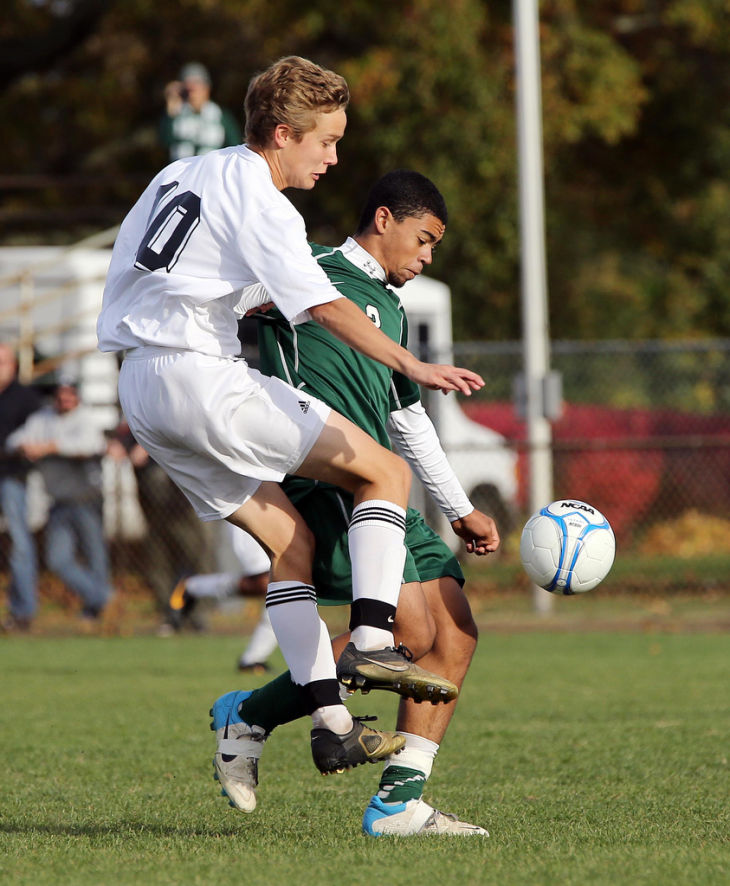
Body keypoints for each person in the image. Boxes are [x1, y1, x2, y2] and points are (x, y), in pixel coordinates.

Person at [98, 55, 484, 777]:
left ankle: (331, 723)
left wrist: (239, 300)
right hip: (199, 373)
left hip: (143, 388)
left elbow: (162, 272)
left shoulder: (179, 174)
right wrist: (412, 365)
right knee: (386, 473)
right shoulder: (262, 195)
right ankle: (371, 639)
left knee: (289, 545)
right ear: (282, 133)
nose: (335, 158)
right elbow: (324, 306)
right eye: (325, 141)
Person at [210, 169, 499, 836]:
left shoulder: (394, 313)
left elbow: (407, 420)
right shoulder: (302, 270)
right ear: (382, 219)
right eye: (423, 240)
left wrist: (457, 506)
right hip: (328, 481)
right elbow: (210, 295)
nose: (427, 258)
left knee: (453, 632)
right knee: (410, 633)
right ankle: (248, 712)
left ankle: (399, 803)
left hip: (384, 485)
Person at [6, 379, 113, 623]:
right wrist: (26, 446)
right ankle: (102, 597)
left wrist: (51, 447)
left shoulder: (85, 419)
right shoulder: (43, 419)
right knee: (57, 560)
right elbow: (14, 440)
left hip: (87, 499)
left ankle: (96, 609)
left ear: (77, 398)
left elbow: (90, 445)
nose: (65, 401)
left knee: (95, 556)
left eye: (70, 396)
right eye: (61, 396)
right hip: (59, 501)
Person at [107, 419, 215, 632]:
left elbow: (187, 431)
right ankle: (169, 615)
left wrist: (149, 446)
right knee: (159, 560)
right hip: (154, 506)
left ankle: (197, 613)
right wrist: (122, 444)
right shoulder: (138, 401)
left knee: (195, 556)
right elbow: (127, 433)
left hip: (185, 504)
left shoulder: (176, 400)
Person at [167, 522, 278, 672]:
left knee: (289, 588)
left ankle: (253, 659)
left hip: (291, 517)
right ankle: (192, 586)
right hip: (255, 516)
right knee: (268, 583)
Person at [0, 344, 42, 632]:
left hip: (12, 479)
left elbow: (36, 437)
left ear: (13, 365)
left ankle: (23, 611)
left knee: (18, 544)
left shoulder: (25, 398)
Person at [160, 62, 242, 162]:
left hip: (211, 172)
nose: (192, 93)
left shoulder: (220, 115)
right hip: (182, 173)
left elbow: (234, 146)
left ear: (207, 88)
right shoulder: (176, 114)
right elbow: (164, 142)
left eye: (196, 86)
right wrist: (171, 107)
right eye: (188, 89)